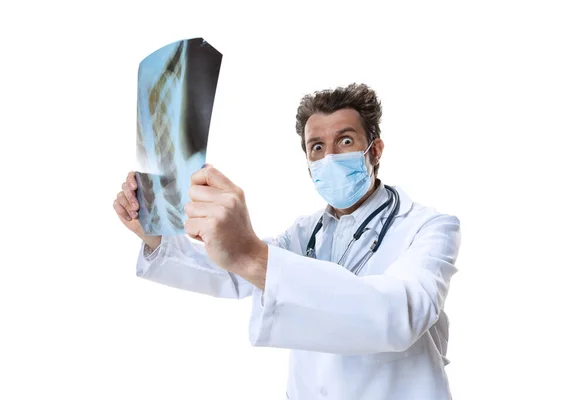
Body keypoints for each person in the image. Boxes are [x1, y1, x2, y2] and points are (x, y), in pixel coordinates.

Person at [113, 83, 462, 399]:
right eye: (317, 147)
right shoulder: (306, 233)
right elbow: (233, 271)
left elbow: (402, 315)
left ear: (375, 150)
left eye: (345, 141)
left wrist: (252, 253)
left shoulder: (429, 228)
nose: (330, 158)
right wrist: (157, 237)